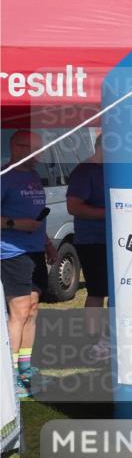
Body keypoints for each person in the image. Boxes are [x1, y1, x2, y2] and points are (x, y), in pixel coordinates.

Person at [1, 131, 57, 398]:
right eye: (35, 149)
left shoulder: (33, 176)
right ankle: (9, 376)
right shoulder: (5, 176)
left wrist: (46, 242)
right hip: (12, 252)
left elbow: (36, 214)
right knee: (20, 311)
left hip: (34, 250)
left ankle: (25, 370)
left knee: (33, 309)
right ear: (18, 147)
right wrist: (15, 224)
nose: (40, 155)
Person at [66, 135, 111, 360]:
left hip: (117, 240)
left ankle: (113, 337)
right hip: (92, 240)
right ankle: (96, 341)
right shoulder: (85, 171)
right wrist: (109, 214)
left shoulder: (114, 169)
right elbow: (73, 207)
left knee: (117, 291)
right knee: (97, 291)